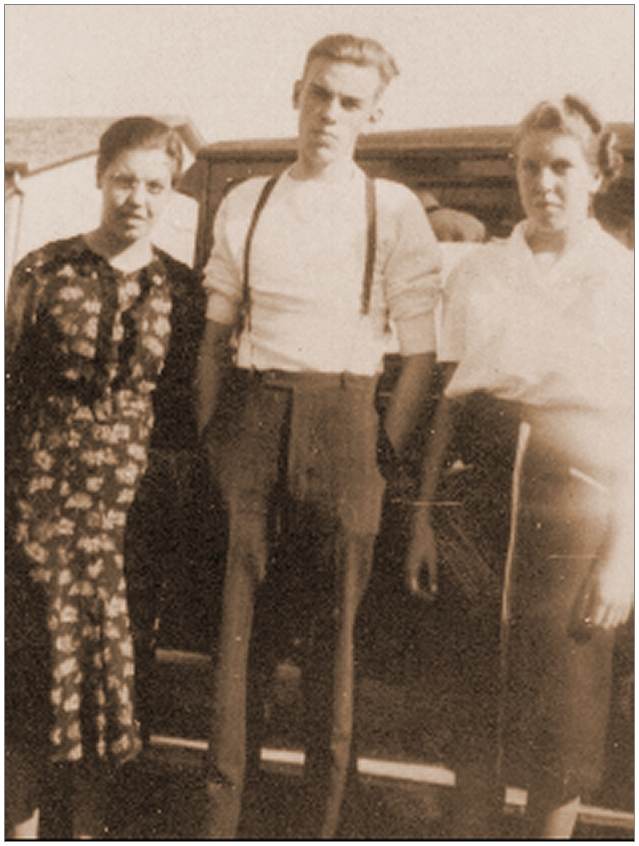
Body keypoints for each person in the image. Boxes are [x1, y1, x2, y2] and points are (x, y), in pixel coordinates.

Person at [196, 33, 442, 839]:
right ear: (294, 95)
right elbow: (211, 340)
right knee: (236, 651)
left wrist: (379, 452)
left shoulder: (392, 208)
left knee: (334, 649)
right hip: (253, 418)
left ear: (372, 114)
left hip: (346, 425)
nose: (328, 113)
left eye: (348, 101)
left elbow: (417, 353)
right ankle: (219, 825)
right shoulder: (247, 201)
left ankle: (316, 830)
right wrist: (217, 442)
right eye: (317, 94)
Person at [405, 95, 633, 839]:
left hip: (577, 503)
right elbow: (447, 401)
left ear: (597, 174)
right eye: (530, 166)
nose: (546, 183)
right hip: (477, 498)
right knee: (476, 712)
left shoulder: (621, 276)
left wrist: (621, 557)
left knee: (562, 720)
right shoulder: (479, 272)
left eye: (563, 166)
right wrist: (423, 523)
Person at [5, 116, 191, 839]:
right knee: (27, 684)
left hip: (126, 517)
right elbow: (11, 386)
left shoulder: (180, 287)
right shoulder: (44, 270)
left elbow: (180, 408)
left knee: (109, 689)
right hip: (40, 506)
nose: (135, 197)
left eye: (153, 184)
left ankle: (86, 834)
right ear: (99, 178)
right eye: (123, 179)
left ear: (169, 192)